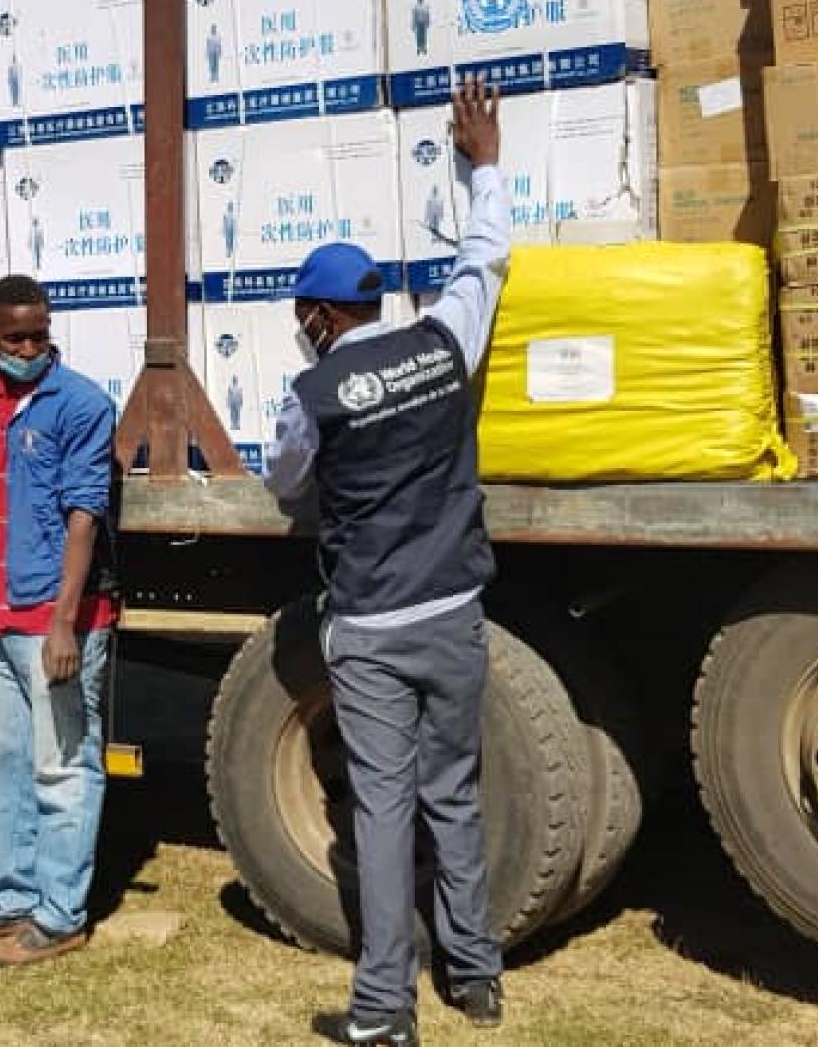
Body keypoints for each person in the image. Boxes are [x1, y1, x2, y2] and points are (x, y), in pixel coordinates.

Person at [264, 77, 508, 1047]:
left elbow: (286, 482)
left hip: (370, 626)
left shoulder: (313, 394)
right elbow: (484, 262)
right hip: (453, 612)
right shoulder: (442, 343)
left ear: (320, 315)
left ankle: (382, 1010)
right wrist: (484, 164)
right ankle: (476, 977)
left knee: (380, 806)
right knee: (453, 793)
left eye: (303, 314)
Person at [0, 273, 118, 966]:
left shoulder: (82, 405)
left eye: (38, 335)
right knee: (6, 767)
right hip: (0, 620)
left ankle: (60, 914)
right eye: (14, 338)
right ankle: (11, 897)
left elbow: (84, 515)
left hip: (53, 622)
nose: (28, 348)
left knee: (63, 768)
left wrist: (66, 622)